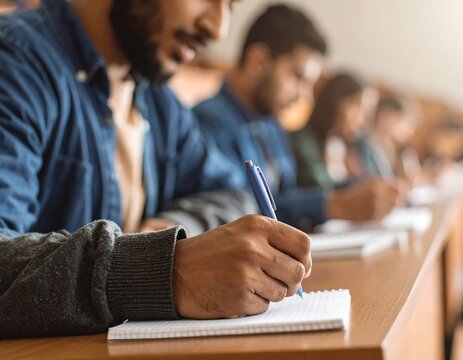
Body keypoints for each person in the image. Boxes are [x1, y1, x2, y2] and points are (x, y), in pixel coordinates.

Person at [0, 0, 312, 338]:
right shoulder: (14, 61)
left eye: (230, 6)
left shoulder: (156, 99)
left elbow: (232, 190)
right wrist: (164, 269)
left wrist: (172, 232)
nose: (218, 28)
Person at [195, 5, 403, 230]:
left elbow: (292, 194)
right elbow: (242, 215)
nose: (305, 95)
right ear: (258, 62)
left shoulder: (271, 124)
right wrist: (335, 206)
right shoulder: (208, 124)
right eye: (298, 77)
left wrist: (358, 193)